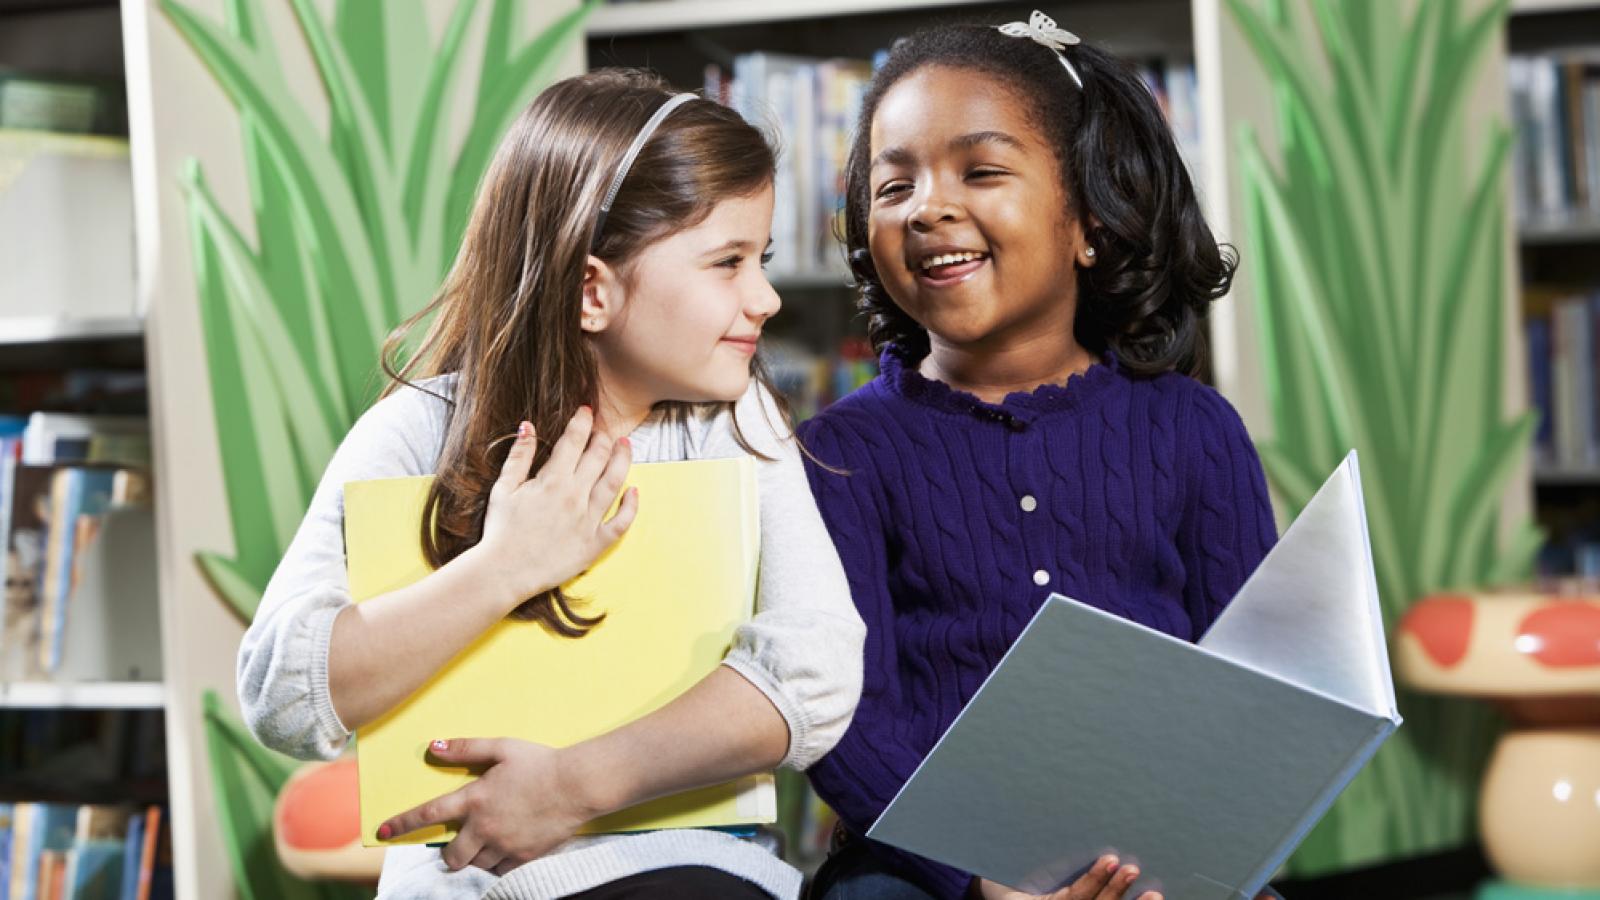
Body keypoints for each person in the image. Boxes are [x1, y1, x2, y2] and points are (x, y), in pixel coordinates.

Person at [238, 69, 865, 900]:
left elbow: (817, 673)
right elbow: (282, 694)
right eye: (728, 262)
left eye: (764, 258)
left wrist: (574, 786)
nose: (766, 296)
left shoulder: (734, 421)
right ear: (591, 290)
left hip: (703, 873)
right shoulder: (423, 427)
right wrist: (505, 567)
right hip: (473, 881)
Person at [798, 16, 1281, 900]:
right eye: (892, 184)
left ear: (1089, 223)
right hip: (920, 865)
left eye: (981, 171)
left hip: (1152, 856)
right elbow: (845, 719)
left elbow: (1249, 692)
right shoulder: (838, 455)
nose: (928, 207)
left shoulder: (1196, 431)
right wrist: (974, 877)